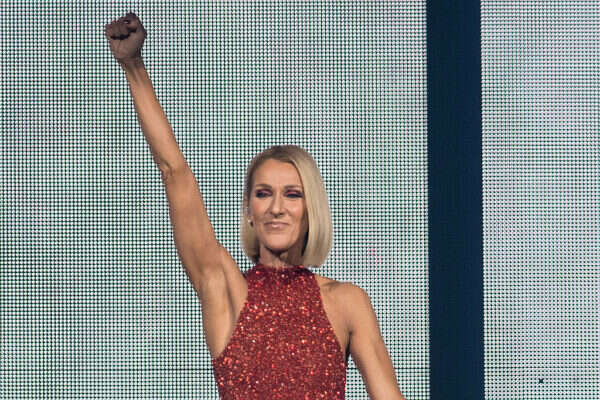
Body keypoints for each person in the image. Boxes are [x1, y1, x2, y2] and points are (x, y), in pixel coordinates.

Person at [105, 12, 406, 400]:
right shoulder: (225, 289)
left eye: (292, 194)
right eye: (264, 194)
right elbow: (174, 171)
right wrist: (133, 66)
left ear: (311, 209)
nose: (277, 207)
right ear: (249, 210)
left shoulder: (348, 302)